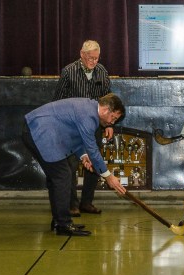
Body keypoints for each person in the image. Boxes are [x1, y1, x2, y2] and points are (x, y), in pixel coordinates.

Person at [21, 93, 127, 236]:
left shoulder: (89, 110)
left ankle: (59, 220)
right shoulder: (88, 116)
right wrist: (108, 176)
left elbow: (77, 137)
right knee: (62, 176)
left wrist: (83, 156)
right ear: (105, 110)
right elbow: (92, 149)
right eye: (113, 118)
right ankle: (64, 224)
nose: (112, 123)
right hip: (39, 131)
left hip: (37, 130)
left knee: (58, 176)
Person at [54, 40, 113, 216]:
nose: (93, 61)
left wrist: (109, 124)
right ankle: (71, 205)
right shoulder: (68, 71)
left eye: (96, 58)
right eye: (90, 58)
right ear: (82, 54)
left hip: (94, 125)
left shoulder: (102, 71)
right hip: (72, 127)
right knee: (70, 166)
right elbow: (58, 100)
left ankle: (87, 202)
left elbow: (109, 101)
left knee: (94, 162)